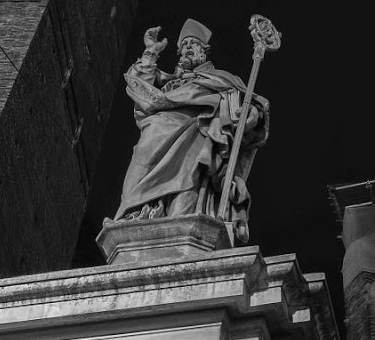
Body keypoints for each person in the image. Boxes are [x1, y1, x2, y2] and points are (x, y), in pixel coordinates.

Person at [114, 19, 268, 240]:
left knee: (187, 187)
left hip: (196, 135)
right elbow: (139, 87)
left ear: (204, 51)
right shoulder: (168, 82)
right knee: (140, 162)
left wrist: (251, 112)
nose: (187, 48)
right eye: (184, 45)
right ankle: (134, 214)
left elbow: (250, 103)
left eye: (193, 44)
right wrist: (150, 52)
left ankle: (182, 229)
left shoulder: (221, 79)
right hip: (156, 132)